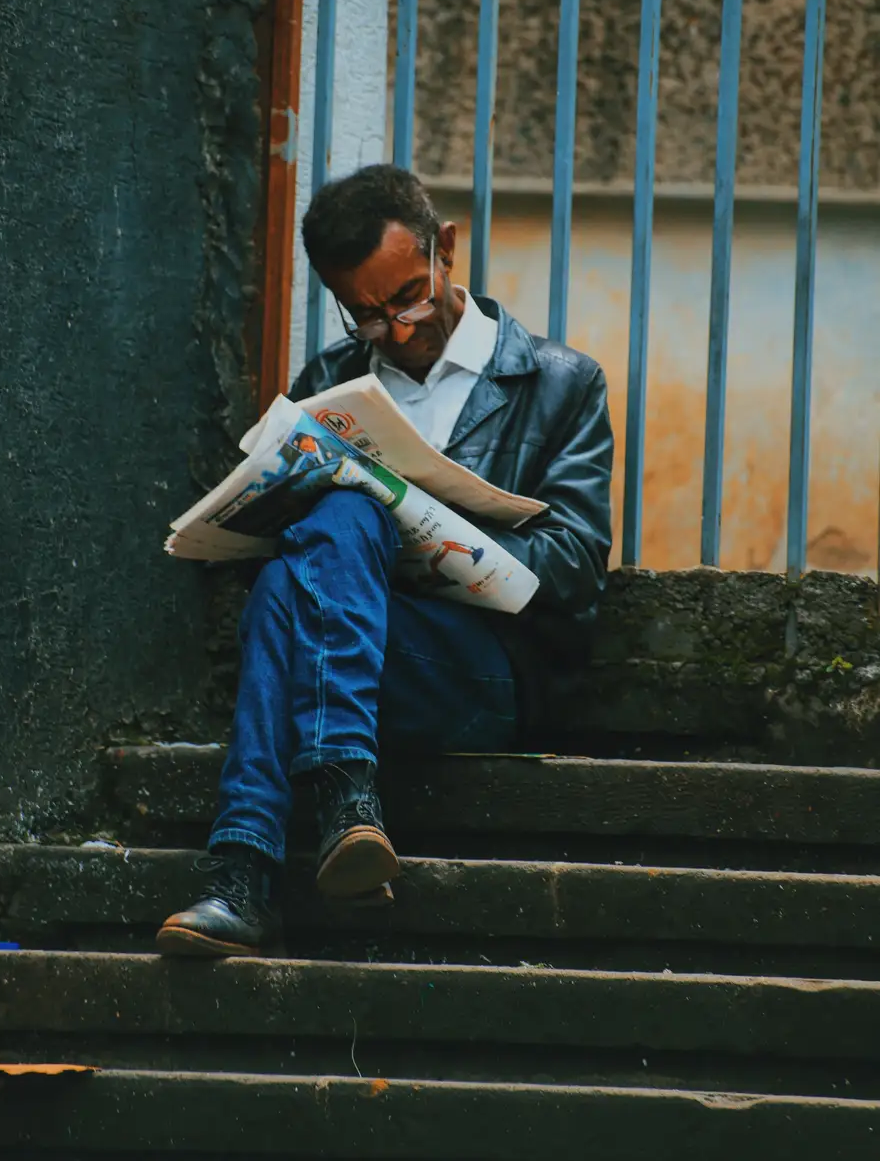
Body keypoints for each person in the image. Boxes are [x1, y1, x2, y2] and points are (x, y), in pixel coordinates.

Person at [156, 165, 613, 957]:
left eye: (409, 297)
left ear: (446, 249)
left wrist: (427, 537)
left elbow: (575, 564)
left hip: (489, 670)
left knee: (342, 528)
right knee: (294, 565)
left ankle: (244, 870)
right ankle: (340, 804)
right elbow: (289, 555)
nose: (397, 331)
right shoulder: (330, 383)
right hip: (361, 659)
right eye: (367, 315)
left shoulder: (560, 383)